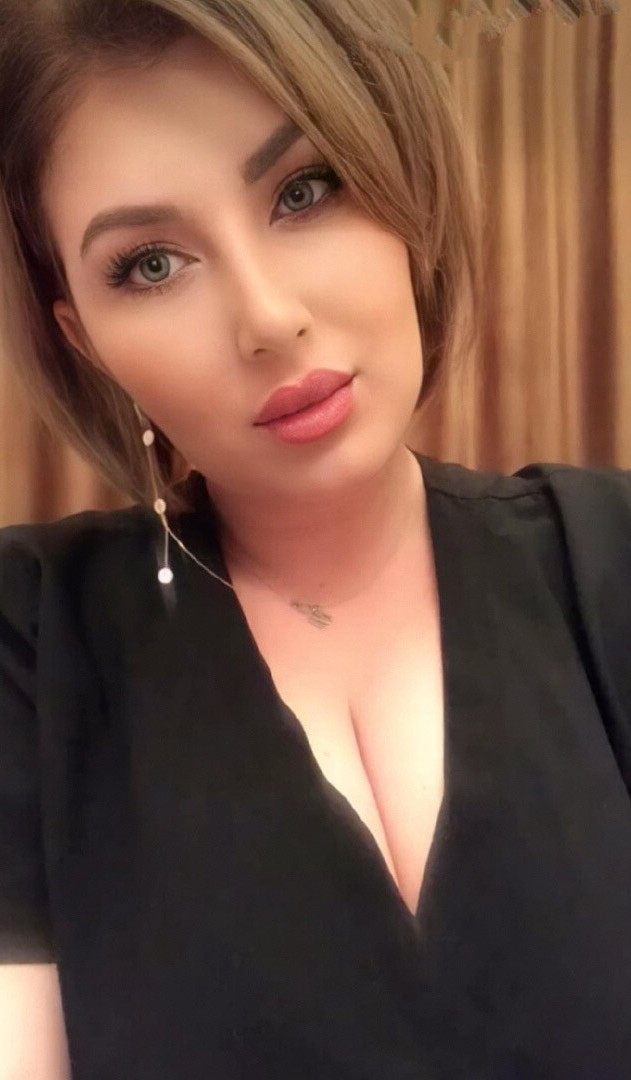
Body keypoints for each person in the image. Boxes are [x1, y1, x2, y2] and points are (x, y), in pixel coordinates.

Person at [1, 0, 630, 1076]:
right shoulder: (30, 640)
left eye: (305, 189)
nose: (268, 317)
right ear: (85, 342)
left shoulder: (609, 558)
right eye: (151, 264)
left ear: (401, 182)